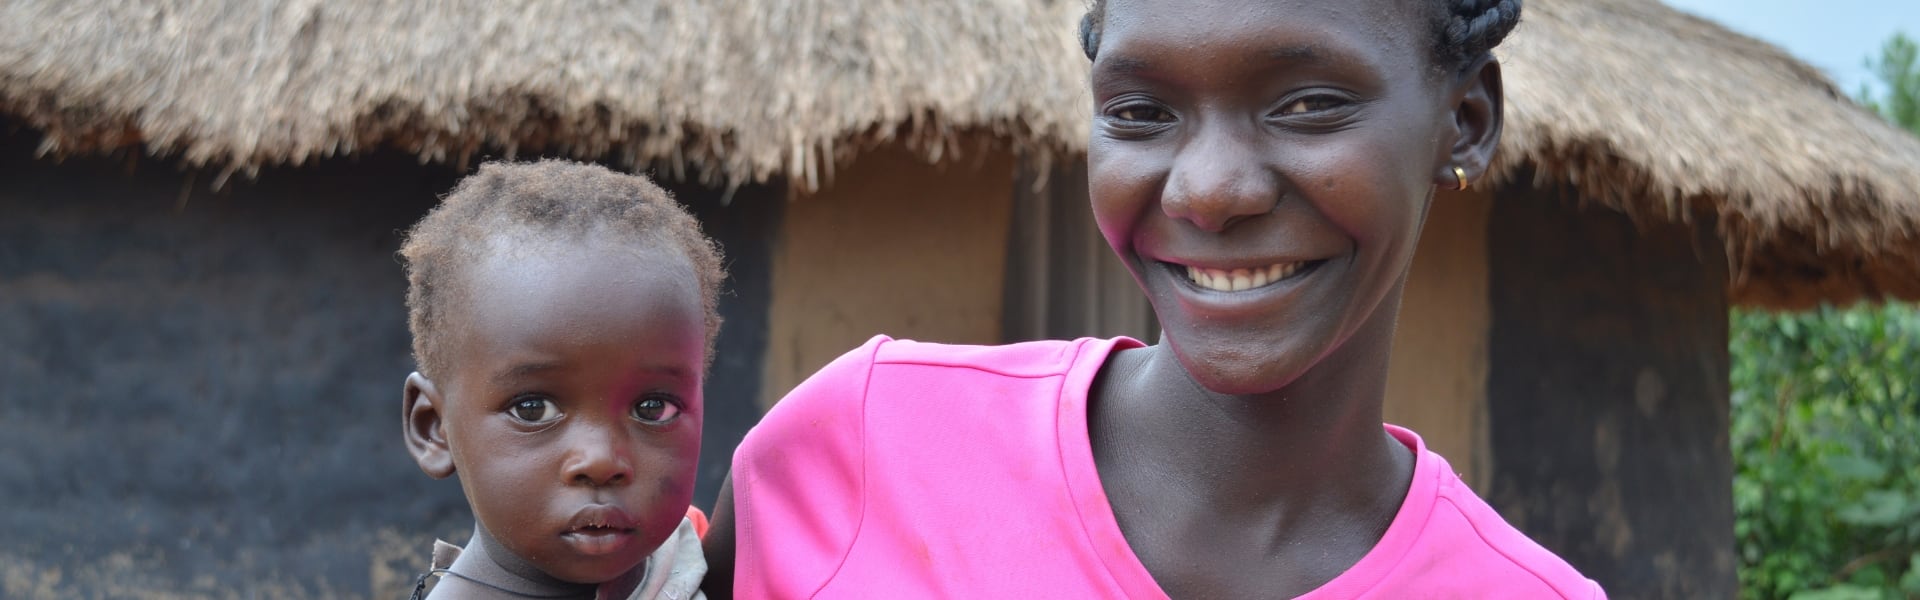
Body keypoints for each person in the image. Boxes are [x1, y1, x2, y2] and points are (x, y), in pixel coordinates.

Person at [704, 0, 1607, 597]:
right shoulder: (861, 448)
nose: (1207, 192)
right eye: (1140, 113)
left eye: (1308, 104)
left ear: (1467, 122)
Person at [398, 159, 724, 599]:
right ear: (433, 428)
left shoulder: (699, 559)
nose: (601, 461)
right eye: (533, 408)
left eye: (653, 408)